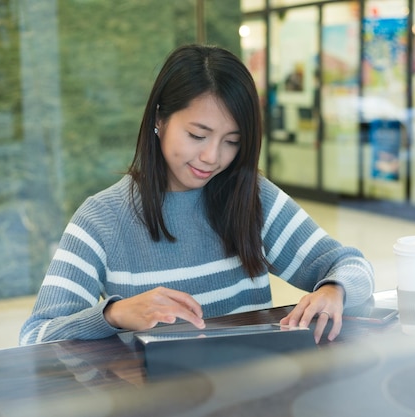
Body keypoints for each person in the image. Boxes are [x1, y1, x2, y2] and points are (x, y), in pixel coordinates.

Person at [19, 44, 374, 346]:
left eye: (232, 142)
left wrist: (334, 290)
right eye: (198, 135)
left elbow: (353, 267)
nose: (212, 157)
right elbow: (35, 337)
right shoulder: (102, 218)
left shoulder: (251, 198)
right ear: (160, 119)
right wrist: (113, 314)